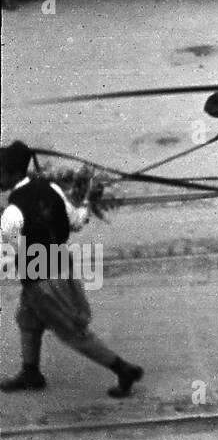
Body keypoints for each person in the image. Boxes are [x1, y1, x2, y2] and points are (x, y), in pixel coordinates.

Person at [0, 141, 144, 398]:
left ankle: (123, 369)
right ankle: (30, 372)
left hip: (41, 281)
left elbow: (8, 249)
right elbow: (77, 221)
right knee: (27, 318)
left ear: (12, 174)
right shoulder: (51, 189)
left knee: (73, 333)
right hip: (60, 267)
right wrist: (88, 200)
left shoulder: (13, 212)